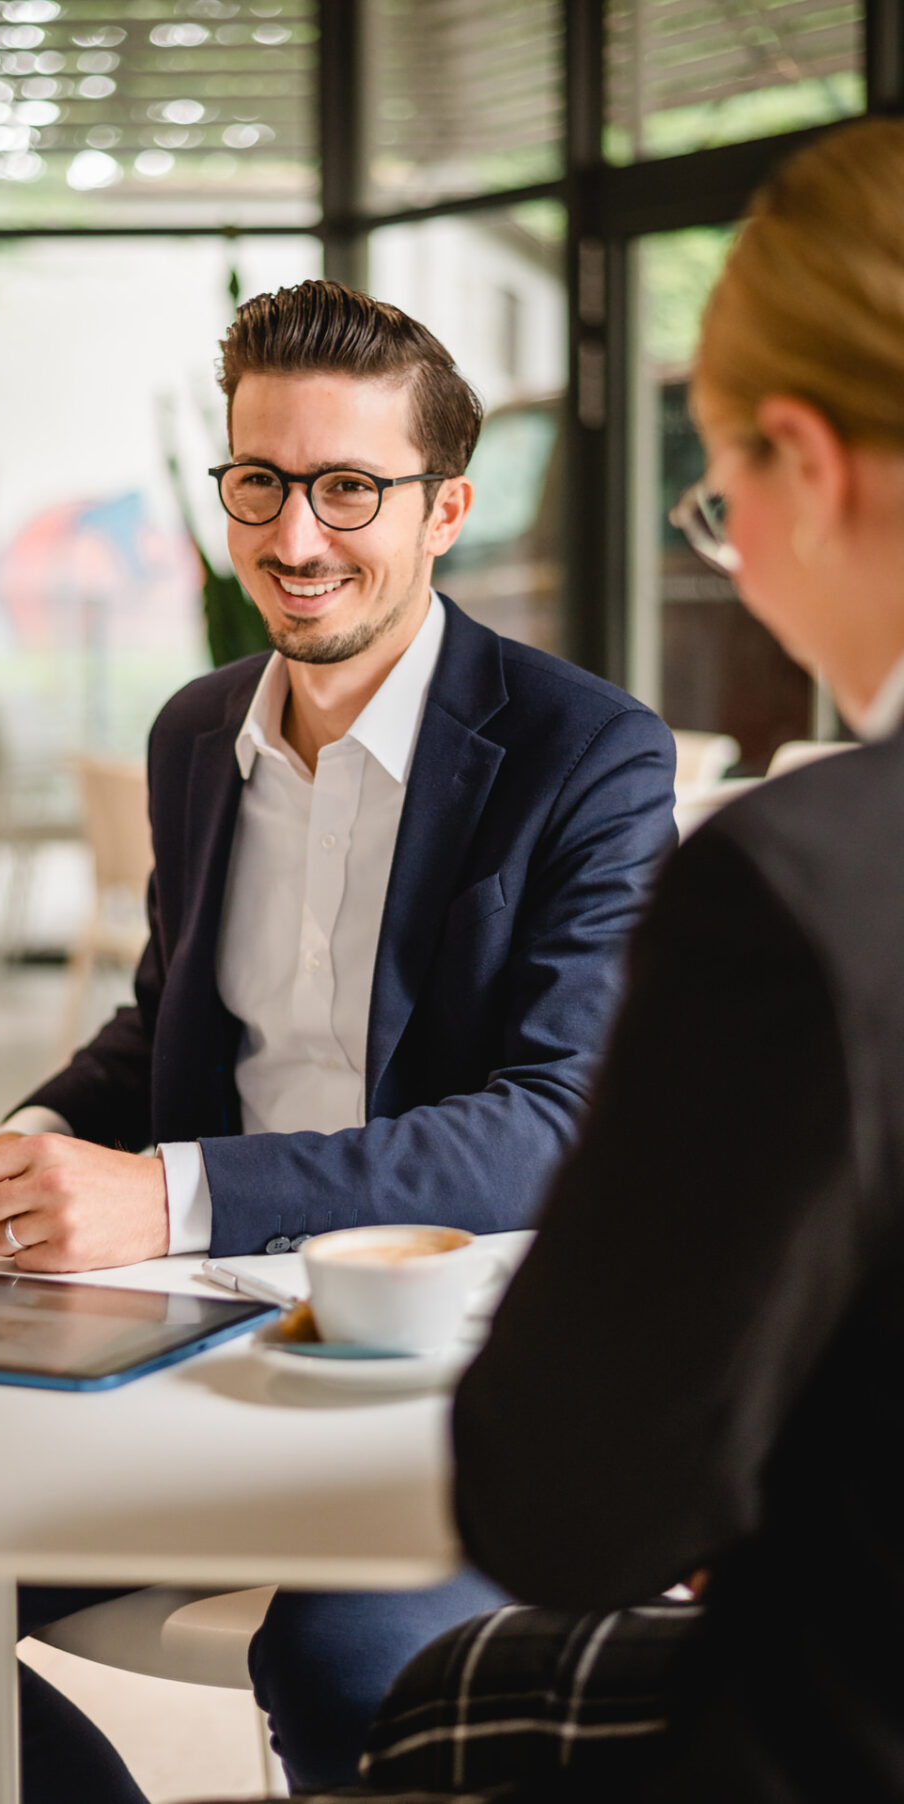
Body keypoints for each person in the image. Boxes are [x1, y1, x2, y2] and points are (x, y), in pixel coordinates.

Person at [0, 281, 675, 1804]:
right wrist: (45, 1132)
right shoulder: (196, 733)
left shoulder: (587, 753)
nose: (295, 539)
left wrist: (167, 1192)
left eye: (348, 489)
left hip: (425, 1374)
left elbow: (552, 1126)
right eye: (260, 481)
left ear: (445, 509)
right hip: (176, 1345)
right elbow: (167, 1014)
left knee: (346, 1670)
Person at [339, 115, 904, 1804]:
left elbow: (568, 1506)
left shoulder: (806, 892)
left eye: (720, 493)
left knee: (440, 1713)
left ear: (807, 459)